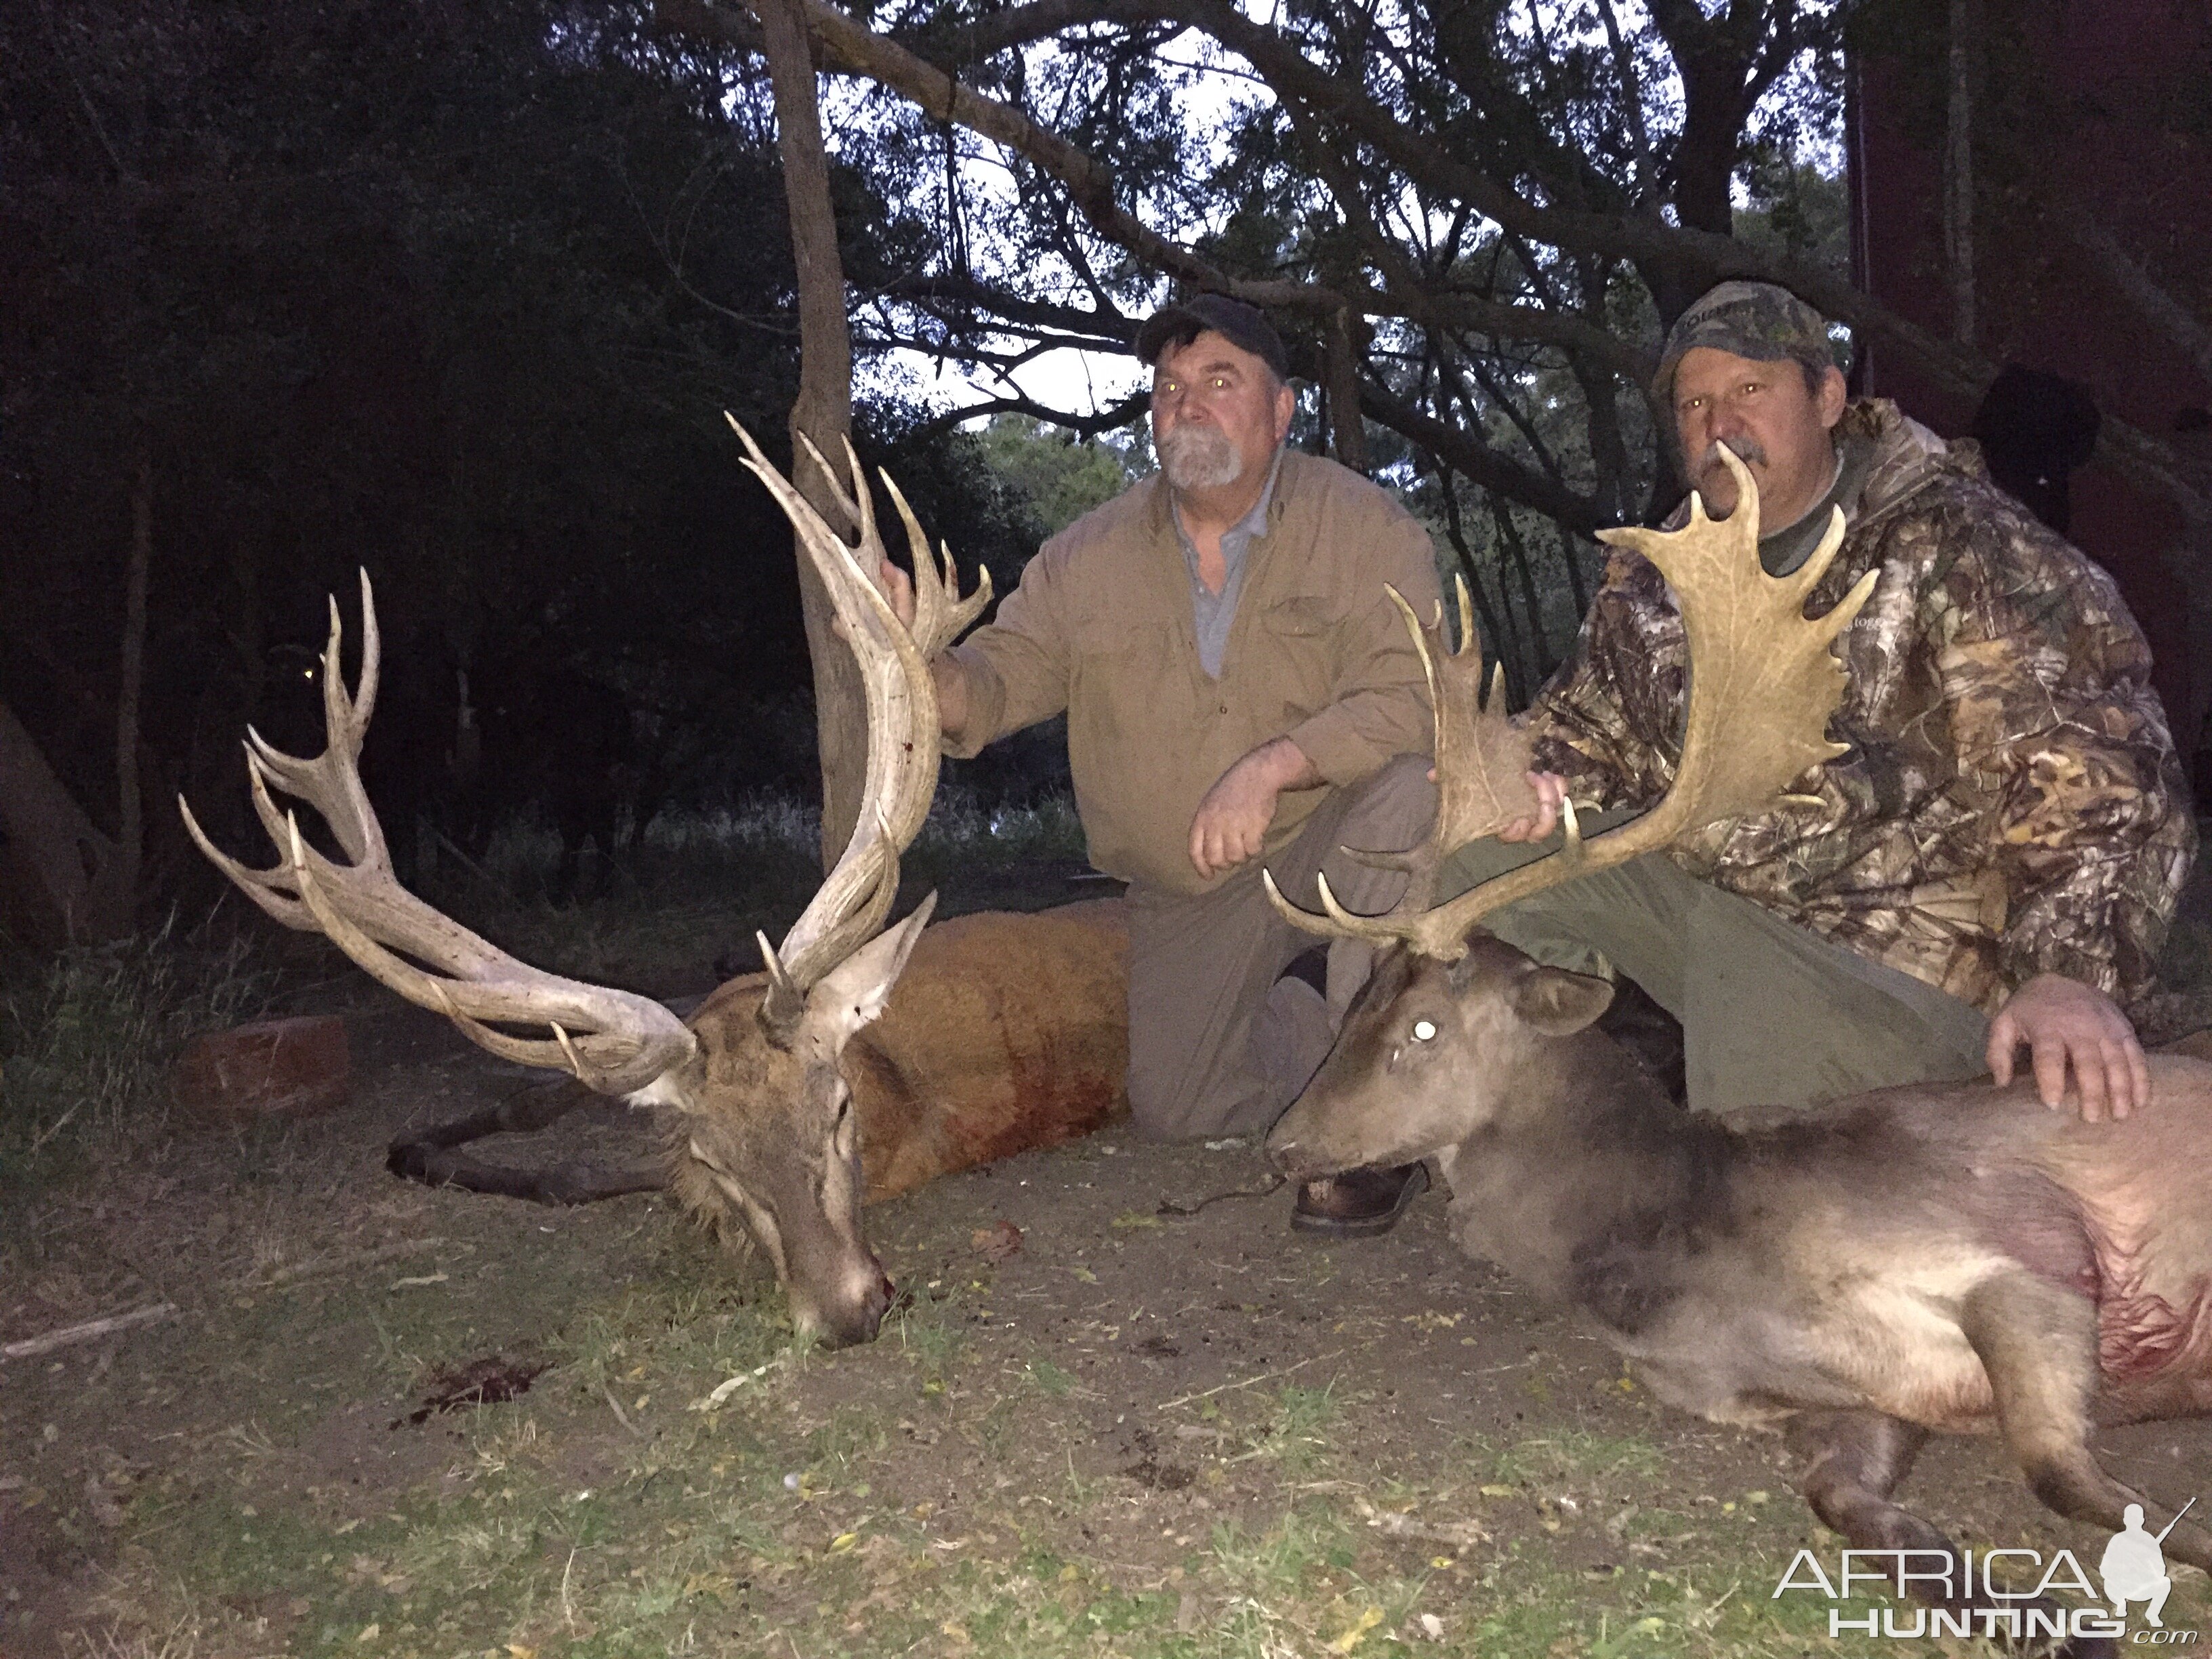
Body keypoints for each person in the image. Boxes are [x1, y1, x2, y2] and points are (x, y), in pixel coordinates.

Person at [1444, 279, 2194, 1121]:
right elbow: (1584, 728)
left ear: (1829, 397)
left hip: (1914, 963)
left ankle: (1741, 1138)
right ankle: (1585, 1104)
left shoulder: (1965, 546)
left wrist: (2065, 972)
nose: (1718, 425)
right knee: (1470, 866)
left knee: (1750, 1066)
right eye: (1694, 404)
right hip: (1721, 907)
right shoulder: (1659, 578)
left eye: (1749, 391)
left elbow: (2094, 768)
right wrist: (1526, 777)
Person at [876, 294, 1443, 1236]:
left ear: (1282, 409)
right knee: (1179, 1108)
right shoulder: (1083, 559)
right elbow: (1001, 679)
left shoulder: (1367, 530)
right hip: (1198, 884)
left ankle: (1377, 1135)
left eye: (1220, 382)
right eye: (1170, 387)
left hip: (1332, 834)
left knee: (1413, 789)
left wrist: (1273, 765)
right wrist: (918, 666)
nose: (1187, 404)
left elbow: (1414, 695)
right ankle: (1325, 1016)